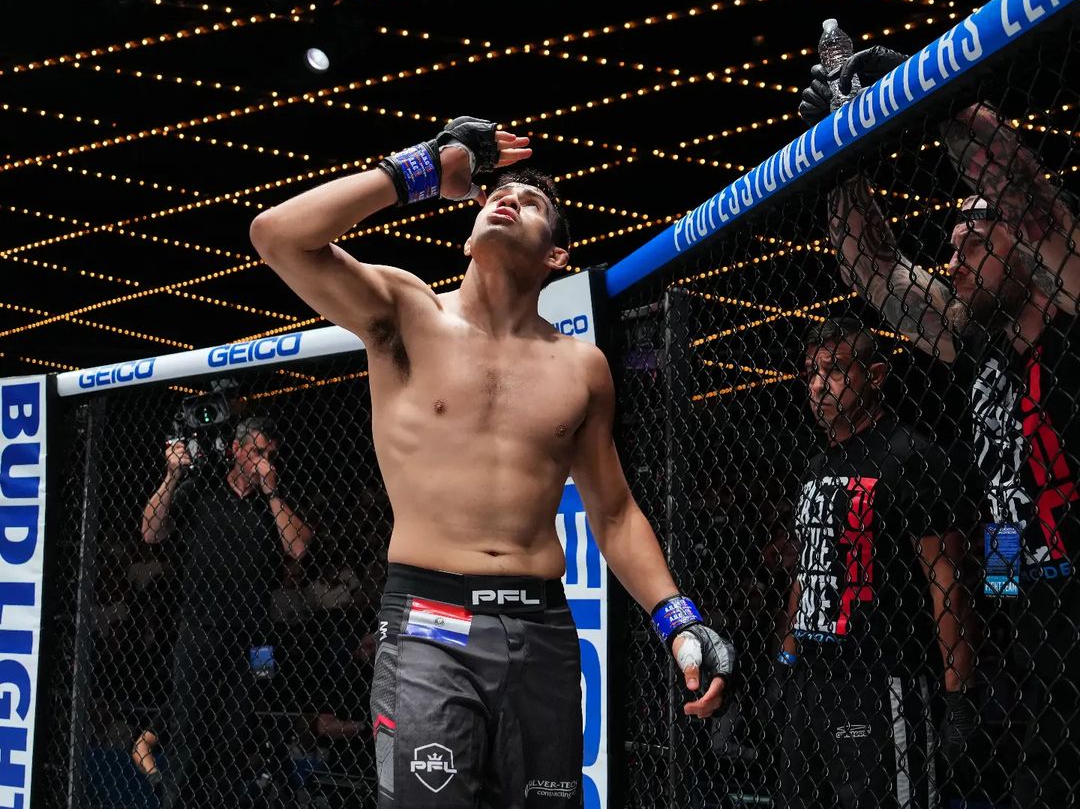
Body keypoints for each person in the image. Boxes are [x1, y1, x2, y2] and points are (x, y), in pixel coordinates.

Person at [249, 116, 734, 807]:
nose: (507, 199)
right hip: (427, 621)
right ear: (468, 235)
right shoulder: (405, 314)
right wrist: (422, 168)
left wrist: (678, 618)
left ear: (558, 255)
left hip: (542, 629)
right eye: (496, 196)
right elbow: (276, 235)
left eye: (530, 202)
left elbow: (614, 511)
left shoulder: (583, 367)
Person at [800, 45, 1080, 808]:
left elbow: (1024, 191)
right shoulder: (976, 340)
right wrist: (843, 147)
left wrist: (933, 91)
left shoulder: (1071, 305)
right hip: (1029, 640)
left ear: (1024, 245)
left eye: (975, 234)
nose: (953, 247)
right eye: (953, 236)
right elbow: (874, 270)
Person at [775, 316, 977, 808]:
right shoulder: (817, 467)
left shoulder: (910, 456)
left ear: (876, 375)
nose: (819, 385)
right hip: (813, 677)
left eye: (835, 369)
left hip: (883, 678)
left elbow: (946, 579)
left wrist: (958, 694)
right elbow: (807, 569)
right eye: (811, 372)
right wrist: (786, 658)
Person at [138, 416, 313, 807]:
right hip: (200, 630)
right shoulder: (203, 490)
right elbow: (150, 531)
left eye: (270, 455)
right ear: (236, 450)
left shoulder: (273, 501)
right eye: (256, 452)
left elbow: (298, 547)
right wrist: (171, 477)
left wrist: (271, 492)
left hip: (255, 638)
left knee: (240, 730)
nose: (264, 462)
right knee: (189, 727)